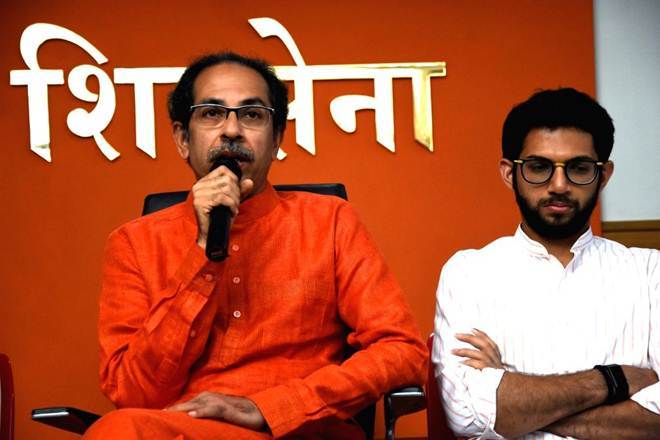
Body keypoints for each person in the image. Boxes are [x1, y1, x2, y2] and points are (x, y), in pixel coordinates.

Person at [84, 52, 427, 439]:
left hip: (303, 430)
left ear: (277, 138)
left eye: (251, 114)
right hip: (187, 431)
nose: (231, 130)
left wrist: (272, 407)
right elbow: (133, 393)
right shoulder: (134, 243)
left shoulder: (331, 221)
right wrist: (203, 252)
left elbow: (403, 350)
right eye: (211, 113)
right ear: (182, 139)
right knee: (120, 430)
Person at [432, 88, 659, 439]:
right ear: (509, 173)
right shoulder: (468, 273)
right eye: (539, 167)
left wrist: (516, 402)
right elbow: (468, 415)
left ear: (604, 175)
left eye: (579, 168)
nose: (559, 185)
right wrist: (614, 380)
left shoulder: (649, 273)